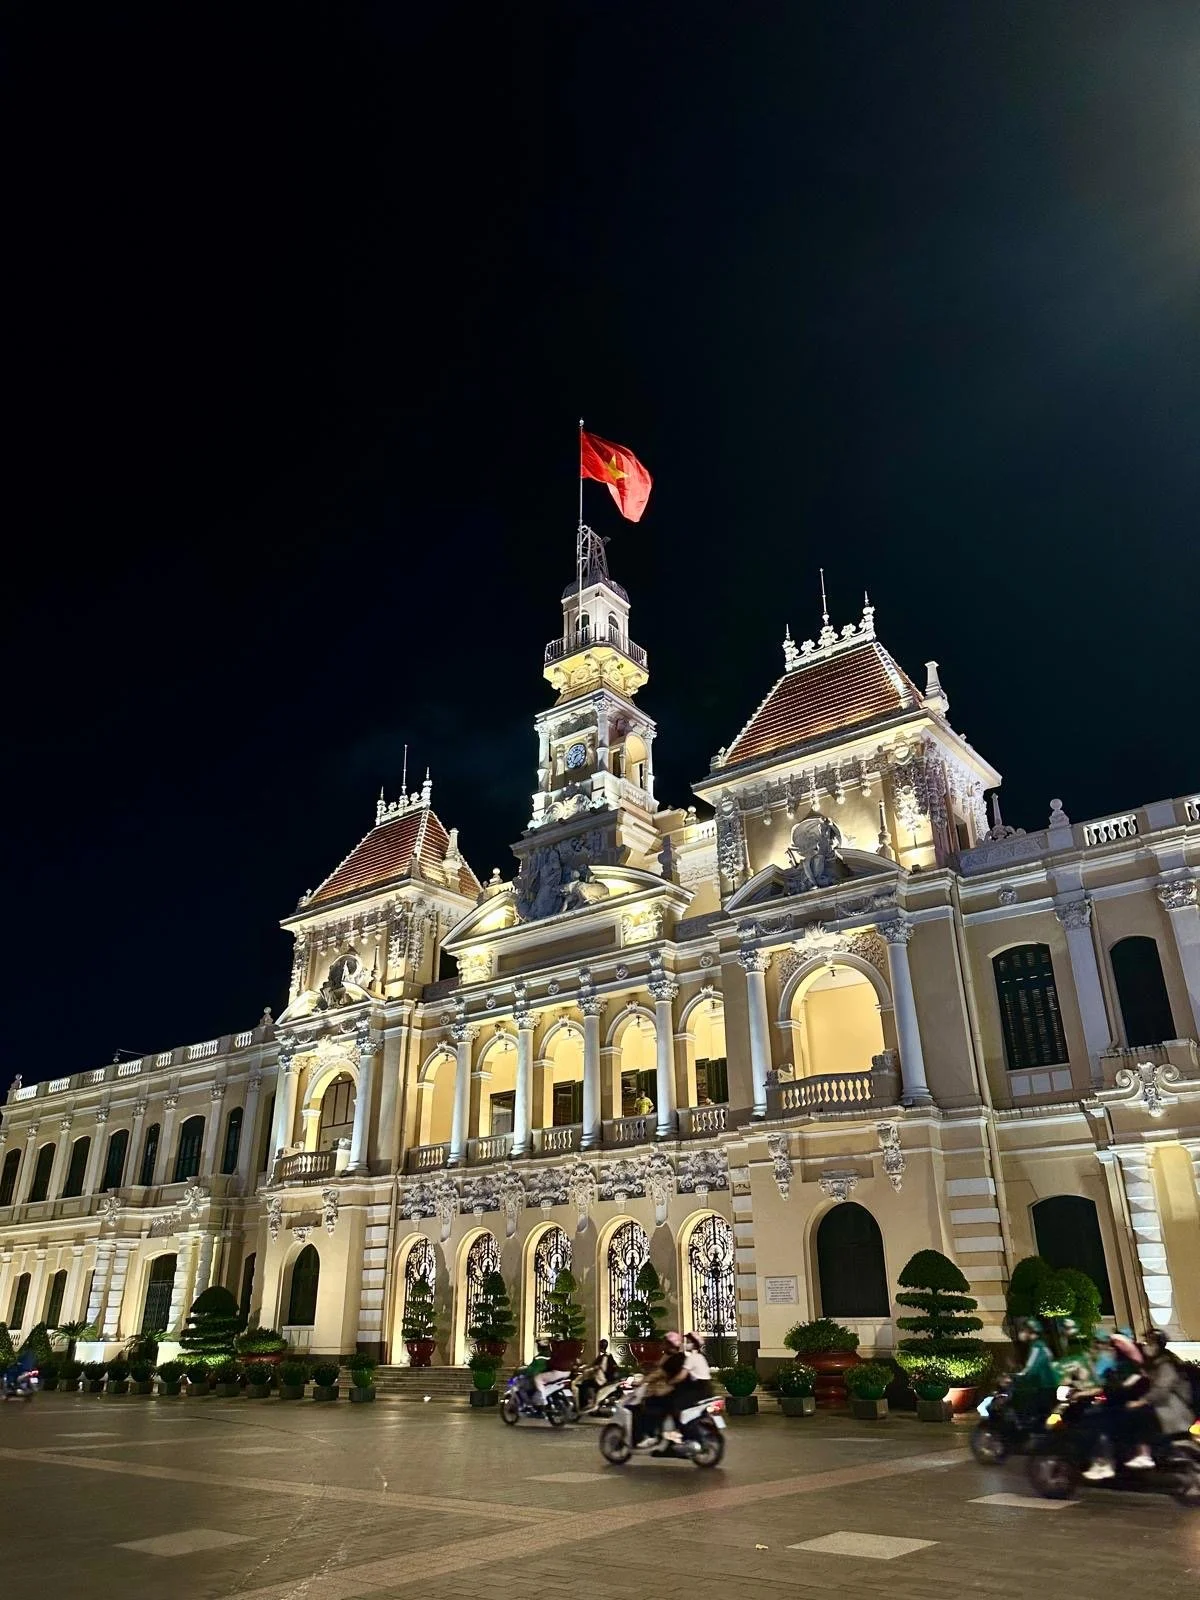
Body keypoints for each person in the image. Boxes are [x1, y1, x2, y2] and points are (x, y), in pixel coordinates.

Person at [635, 1332, 687, 1448]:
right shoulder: (678, 1357)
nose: (662, 1345)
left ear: (670, 1345)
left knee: (649, 1405)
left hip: (674, 1393)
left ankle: (651, 1436)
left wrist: (641, 1381)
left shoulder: (673, 1359)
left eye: (665, 1343)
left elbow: (658, 1374)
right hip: (677, 1392)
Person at [661, 1332, 714, 1443]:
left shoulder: (692, 1358)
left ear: (694, 1344)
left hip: (698, 1389)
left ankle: (681, 1433)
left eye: (689, 1341)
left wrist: (671, 1382)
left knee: (676, 1405)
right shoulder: (700, 1357)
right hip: (707, 1388)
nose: (686, 1344)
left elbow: (681, 1376)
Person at [579, 1338, 619, 1413]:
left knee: (585, 1384)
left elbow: (600, 1367)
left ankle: (590, 1402)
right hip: (607, 1379)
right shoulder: (608, 1356)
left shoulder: (604, 1357)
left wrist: (589, 1369)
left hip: (603, 1379)